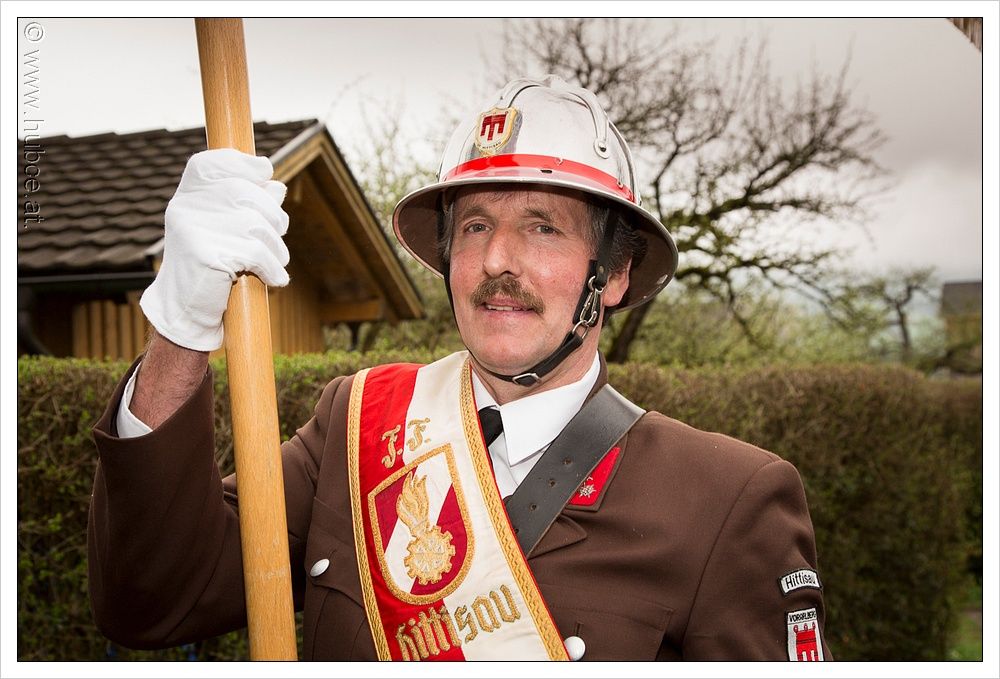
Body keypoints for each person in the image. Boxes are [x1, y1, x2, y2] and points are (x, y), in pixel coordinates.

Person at [88, 76, 830, 661]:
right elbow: (150, 603)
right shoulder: (356, 425)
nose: (498, 260)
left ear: (614, 272)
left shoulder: (727, 499)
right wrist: (182, 327)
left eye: (543, 227)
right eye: (475, 225)